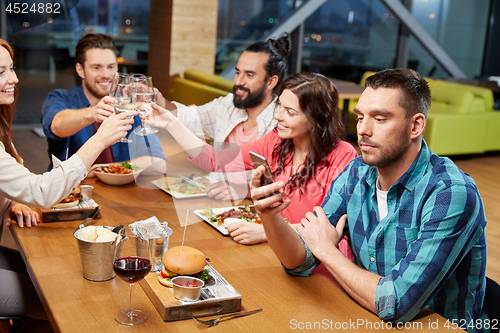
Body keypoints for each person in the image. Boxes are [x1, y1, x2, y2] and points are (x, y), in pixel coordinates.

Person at [250, 68, 488, 331]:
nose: (363, 130)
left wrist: (327, 251)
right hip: (366, 319)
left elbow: (396, 304)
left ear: (415, 125)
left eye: (380, 119)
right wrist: (270, 215)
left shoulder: (450, 193)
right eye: (360, 117)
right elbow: (299, 260)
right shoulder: (356, 172)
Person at [0, 38, 136, 325]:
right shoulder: (63, 98)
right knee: (67, 298)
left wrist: (11, 199)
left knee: (50, 273)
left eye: (11, 68)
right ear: (80, 69)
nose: (14, 77)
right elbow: (42, 191)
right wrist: (100, 138)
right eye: (1, 72)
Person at [150, 72, 358, 245]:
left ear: (316, 119)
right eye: (279, 106)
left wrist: (265, 232)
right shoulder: (276, 140)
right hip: (277, 249)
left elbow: (328, 227)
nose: (277, 116)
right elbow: (215, 160)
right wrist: (171, 123)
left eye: (290, 112)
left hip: (314, 259)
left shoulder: (344, 154)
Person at [155, 34, 292, 199]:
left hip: (252, 212)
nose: (238, 81)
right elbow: (189, 118)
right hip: (212, 201)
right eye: (237, 72)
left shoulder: (282, 123)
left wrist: (245, 192)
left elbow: (286, 187)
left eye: (249, 75)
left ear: (271, 82)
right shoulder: (227, 105)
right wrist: (161, 102)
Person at [41, 33, 165, 170]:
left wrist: (105, 170)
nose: (106, 75)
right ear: (80, 70)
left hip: (117, 189)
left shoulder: (129, 107)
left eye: (111, 67)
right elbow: (56, 126)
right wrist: (92, 113)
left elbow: (157, 162)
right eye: (96, 67)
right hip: (75, 190)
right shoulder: (60, 98)